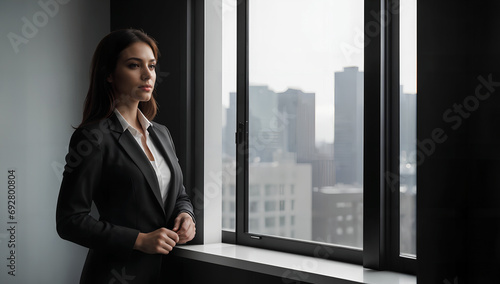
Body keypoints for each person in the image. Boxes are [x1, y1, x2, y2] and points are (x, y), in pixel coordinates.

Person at [56, 29, 196, 283]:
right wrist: (139, 240)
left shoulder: (161, 134)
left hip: (168, 273)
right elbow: (70, 221)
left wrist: (186, 215)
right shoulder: (93, 137)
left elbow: (179, 195)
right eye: (134, 65)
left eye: (151, 66)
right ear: (109, 74)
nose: (147, 75)